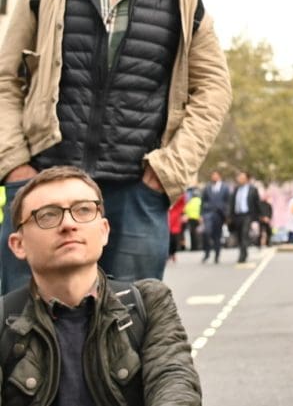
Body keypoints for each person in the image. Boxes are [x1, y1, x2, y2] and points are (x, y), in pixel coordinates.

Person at [0, 0, 232, 290]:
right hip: (45, 182)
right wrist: (15, 165)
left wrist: (167, 171)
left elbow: (214, 90)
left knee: (129, 326)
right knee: (24, 328)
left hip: (136, 191)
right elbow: (4, 78)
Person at [1, 165, 199, 404]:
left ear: (104, 231)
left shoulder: (149, 302)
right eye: (47, 215)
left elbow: (174, 381)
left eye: (83, 210)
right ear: (18, 244)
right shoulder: (3, 320)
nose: (68, 224)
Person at [200, 170, 230, 264]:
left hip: (219, 214)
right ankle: (207, 253)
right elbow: (202, 201)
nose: (214, 177)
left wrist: (227, 215)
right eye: (213, 175)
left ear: (219, 176)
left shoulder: (225, 188)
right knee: (207, 233)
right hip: (208, 213)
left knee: (217, 236)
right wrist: (201, 215)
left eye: (216, 175)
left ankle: (217, 255)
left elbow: (228, 202)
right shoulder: (207, 187)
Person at [230, 171, 260, 264]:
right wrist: (230, 216)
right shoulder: (236, 189)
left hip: (247, 215)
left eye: (242, 177)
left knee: (244, 234)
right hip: (237, 215)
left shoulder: (253, 189)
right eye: (239, 177)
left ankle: (242, 256)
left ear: (247, 179)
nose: (240, 179)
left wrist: (259, 216)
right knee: (239, 235)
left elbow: (257, 204)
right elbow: (231, 204)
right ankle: (244, 252)